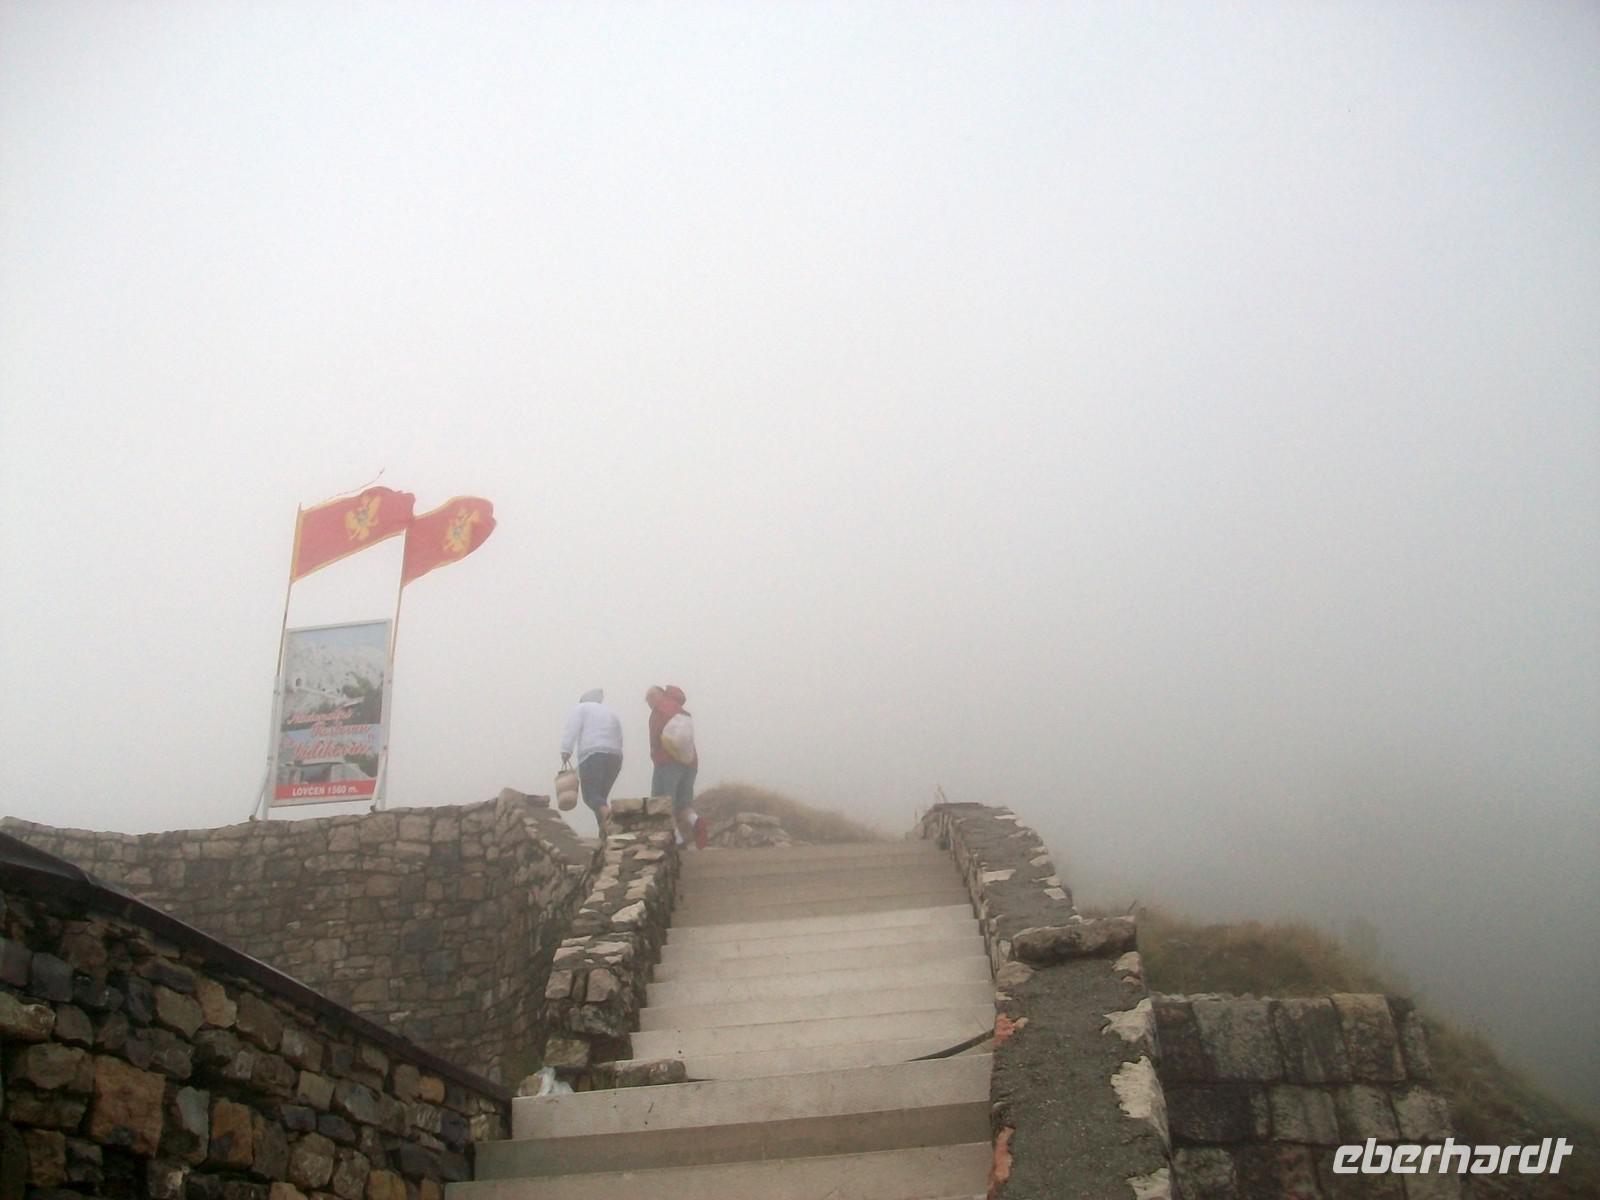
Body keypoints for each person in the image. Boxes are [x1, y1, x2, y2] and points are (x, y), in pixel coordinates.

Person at [646, 684, 705, 848]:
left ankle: (677, 839)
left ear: (659, 695)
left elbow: (655, 737)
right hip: (690, 763)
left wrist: (654, 752)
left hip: (667, 762)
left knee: (662, 803)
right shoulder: (680, 710)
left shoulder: (659, 710)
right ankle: (696, 821)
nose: (648, 702)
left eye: (650, 697)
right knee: (683, 803)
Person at [561, 688, 623, 829]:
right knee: (600, 798)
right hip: (615, 757)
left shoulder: (582, 708)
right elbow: (619, 735)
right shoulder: (611, 712)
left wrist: (566, 750)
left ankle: (610, 818)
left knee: (590, 795)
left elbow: (572, 729)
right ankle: (605, 831)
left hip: (592, 754)